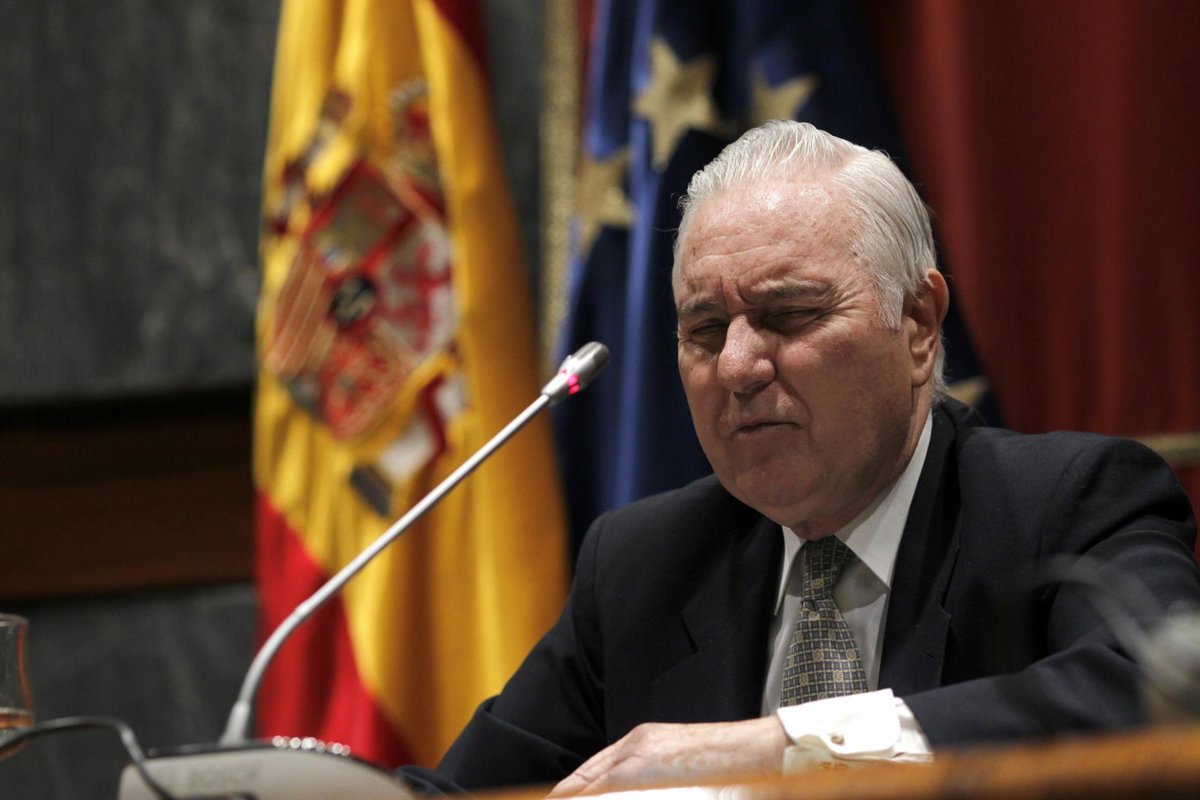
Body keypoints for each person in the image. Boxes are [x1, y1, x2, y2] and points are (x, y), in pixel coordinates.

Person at [404, 121, 1200, 793]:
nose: (737, 367)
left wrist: (781, 746)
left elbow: (1162, 695)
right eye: (705, 330)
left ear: (918, 324)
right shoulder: (643, 564)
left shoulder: (1065, 503)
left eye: (788, 314)